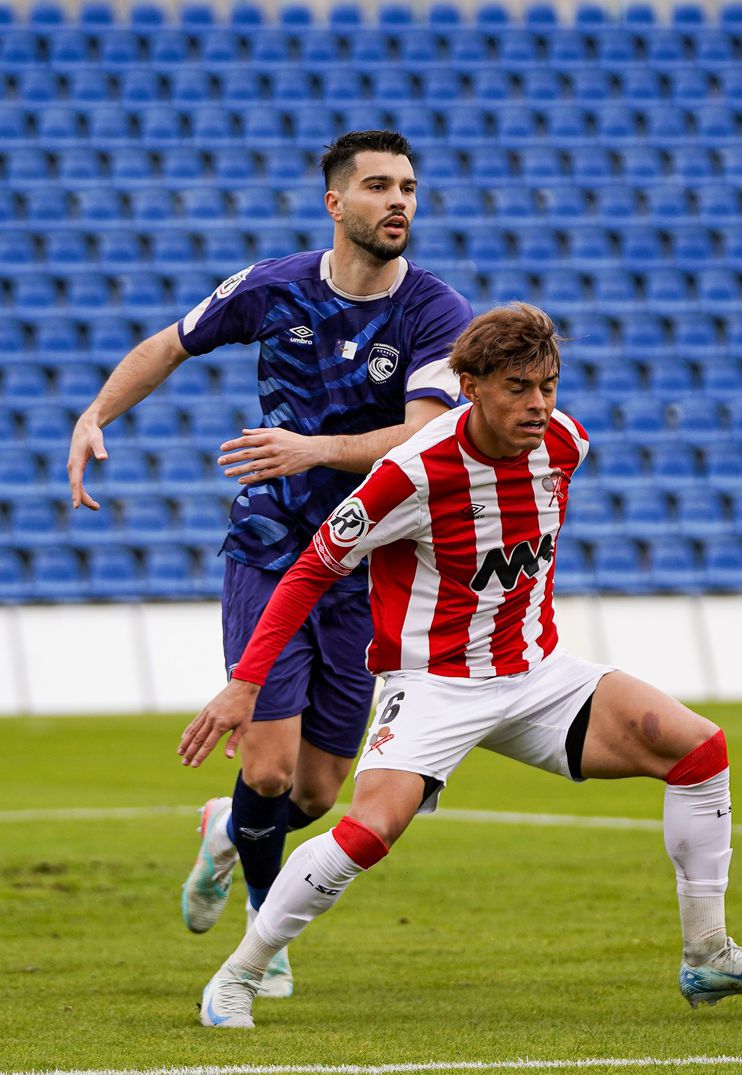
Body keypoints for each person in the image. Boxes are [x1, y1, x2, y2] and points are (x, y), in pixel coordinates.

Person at [178, 303, 742, 1028]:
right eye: (518, 386)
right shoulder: (411, 472)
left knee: (697, 746)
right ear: (471, 385)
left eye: (548, 384)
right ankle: (239, 974)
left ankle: (708, 953)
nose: (539, 404)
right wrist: (246, 680)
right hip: (433, 683)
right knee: (367, 830)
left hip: (538, 674)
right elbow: (312, 570)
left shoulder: (565, 443)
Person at [67, 129, 473, 997]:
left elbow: (427, 432)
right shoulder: (275, 286)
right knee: (269, 766)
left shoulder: (435, 312)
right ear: (337, 204)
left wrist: (312, 449)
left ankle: (226, 829)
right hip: (269, 545)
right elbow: (171, 342)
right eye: (377, 186)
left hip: (368, 561)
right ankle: (262, 929)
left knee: (321, 791)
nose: (398, 200)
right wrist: (95, 412)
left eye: (407, 186)